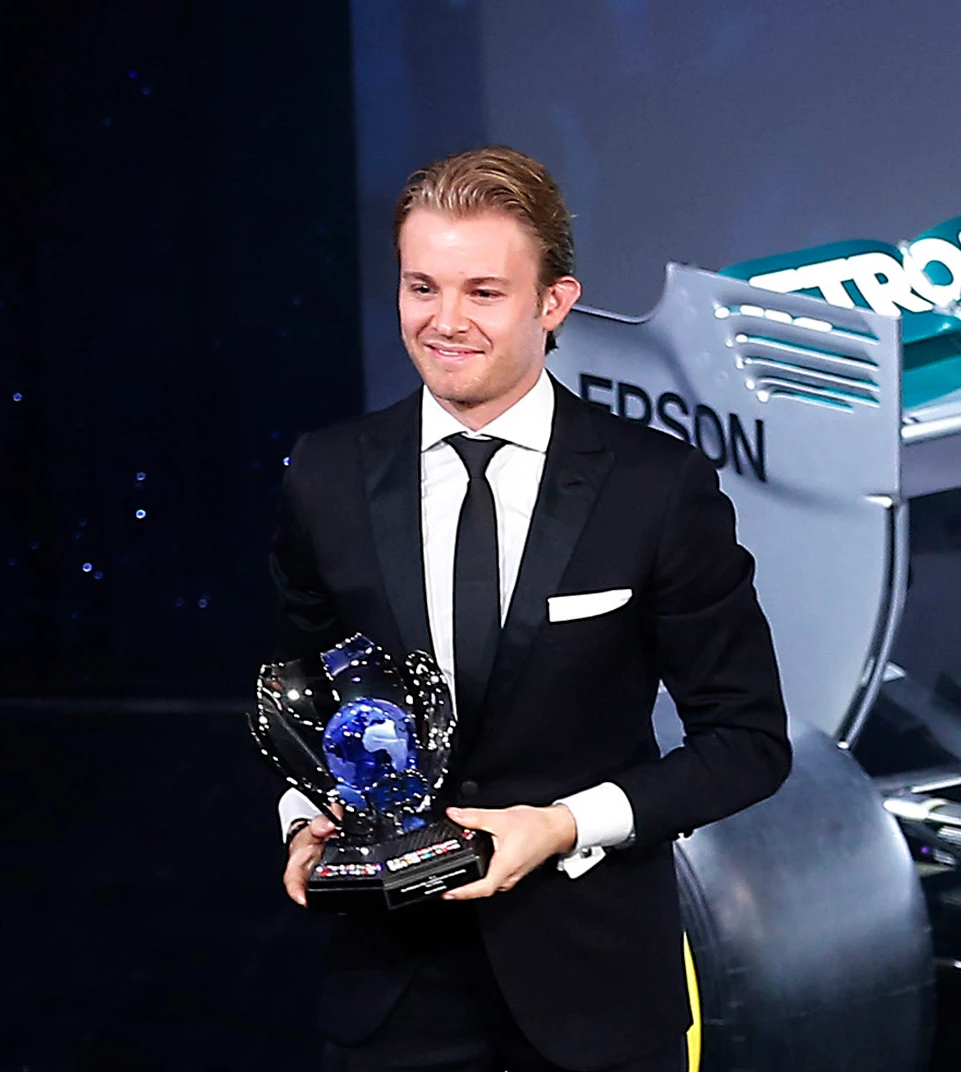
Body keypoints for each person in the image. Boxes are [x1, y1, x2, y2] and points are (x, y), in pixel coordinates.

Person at [270, 146, 791, 1072]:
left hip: (597, 991)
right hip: (390, 994)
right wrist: (302, 810)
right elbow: (301, 690)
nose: (444, 322)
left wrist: (564, 824)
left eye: (483, 292)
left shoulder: (654, 486)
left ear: (555, 304)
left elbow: (746, 741)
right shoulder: (325, 477)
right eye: (421, 286)